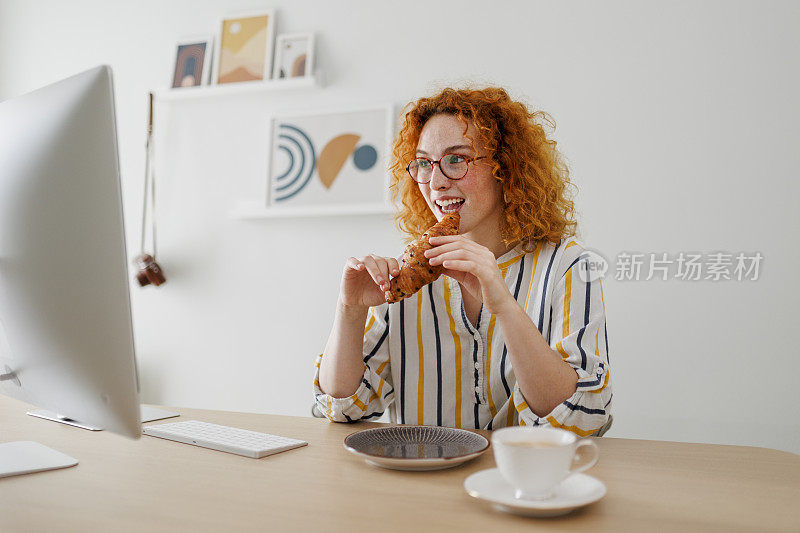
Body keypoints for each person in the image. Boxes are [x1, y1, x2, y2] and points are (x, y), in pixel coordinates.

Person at [313, 87, 612, 436]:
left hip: (523, 483)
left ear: (506, 167)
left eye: (457, 160)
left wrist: (503, 305)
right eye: (424, 163)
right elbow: (341, 407)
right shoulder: (402, 277)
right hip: (420, 480)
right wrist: (350, 310)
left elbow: (584, 417)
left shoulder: (567, 265)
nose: (436, 183)